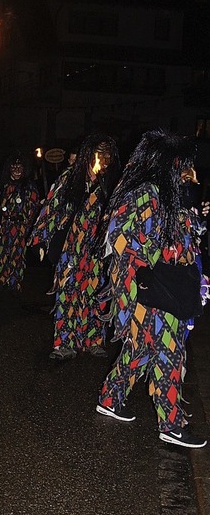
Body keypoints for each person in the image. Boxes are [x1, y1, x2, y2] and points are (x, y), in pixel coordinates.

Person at [96, 129, 209, 449]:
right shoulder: (146, 194)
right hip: (144, 291)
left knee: (141, 349)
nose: (187, 172)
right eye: (182, 165)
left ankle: (110, 398)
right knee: (170, 353)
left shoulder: (168, 195)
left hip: (155, 288)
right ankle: (171, 424)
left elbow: (182, 240)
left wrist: (197, 220)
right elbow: (122, 240)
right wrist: (151, 268)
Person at [28, 133, 121, 359]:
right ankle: (64, 343)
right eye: (100, 155)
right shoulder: (70, 178)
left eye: (108, 155)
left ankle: (93, 339)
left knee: (96, 293)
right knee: (67, 292)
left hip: (97, 250)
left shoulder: (113, 183)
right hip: (71, 246)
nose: (104, 160)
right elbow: (51, 207)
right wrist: (41, 238)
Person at [0, 152, 41, 292]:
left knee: (17, 256)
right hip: (4, 226)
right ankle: (0, 281)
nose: (17, 170)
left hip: (20, 227)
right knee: (2, 254)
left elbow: (34, 207)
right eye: (14, 167)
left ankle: (14, 284)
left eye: (20, 167)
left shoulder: (29, 187)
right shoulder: (2, 186)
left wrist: (29, 228)